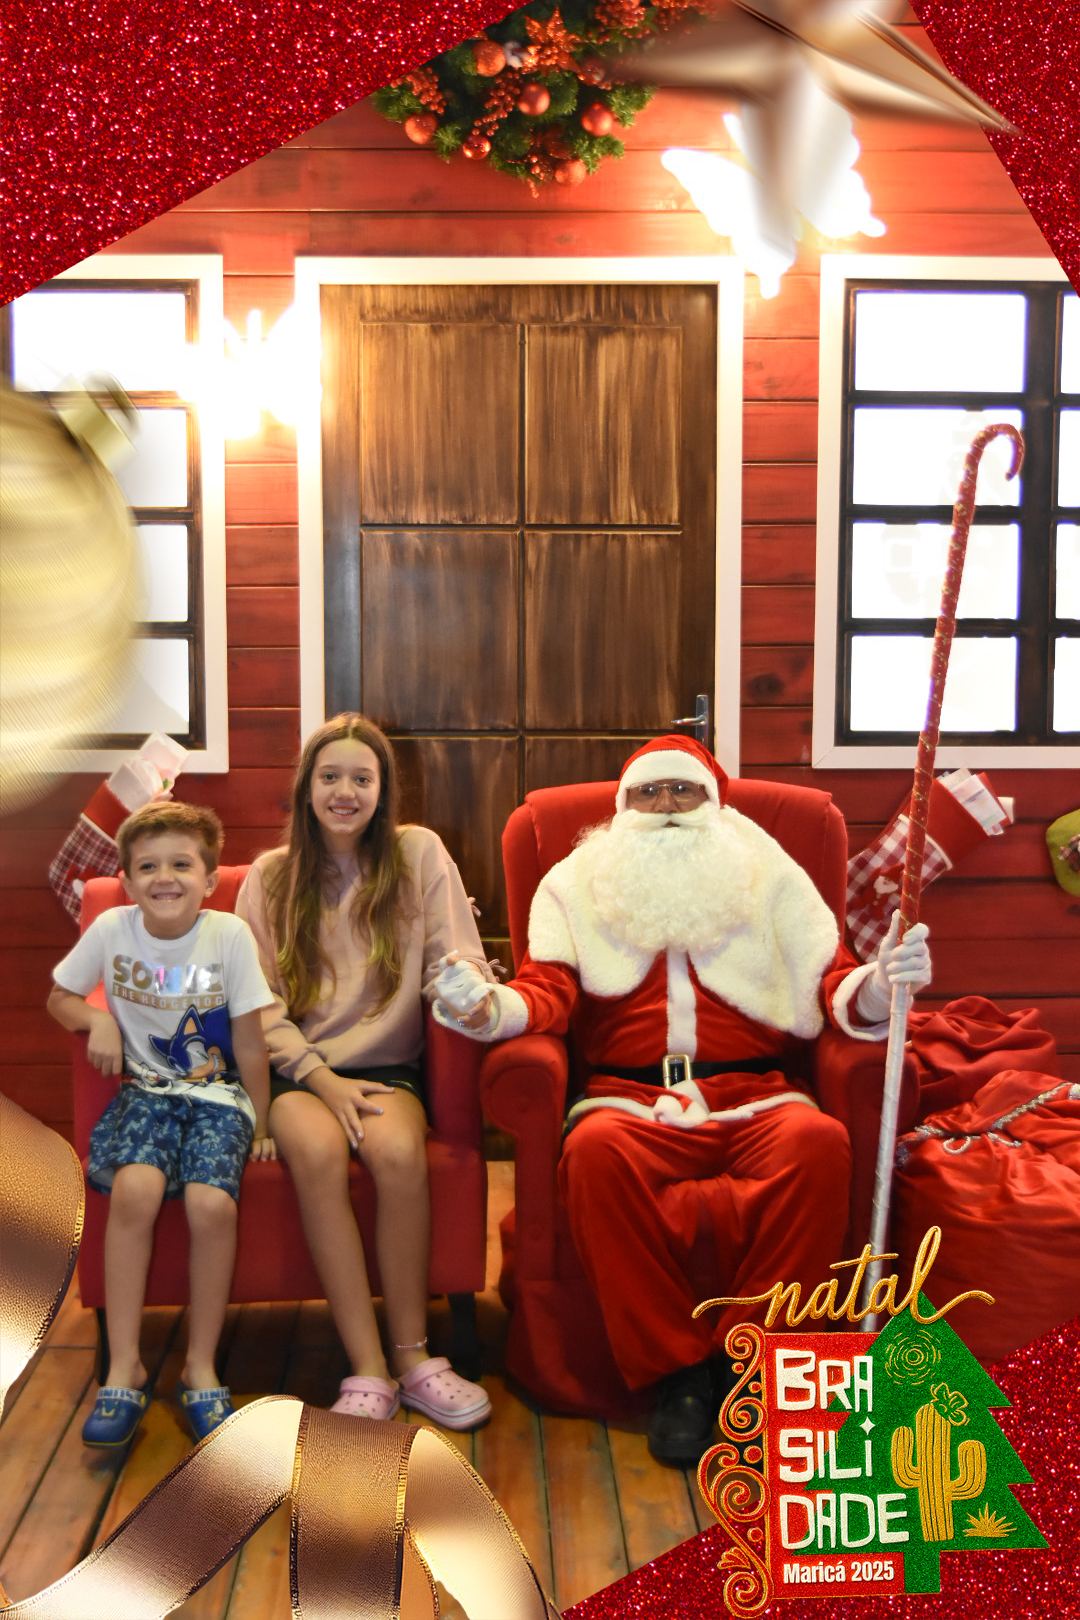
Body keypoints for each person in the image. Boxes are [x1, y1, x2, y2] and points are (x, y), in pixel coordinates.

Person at [432, 734, 931, 1466]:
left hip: (757, 1093)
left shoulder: (767, 871)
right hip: (629, 1101)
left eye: (683, 790)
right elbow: (547, 989)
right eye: (649, 792)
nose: (666, 806)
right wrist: (486, 1009)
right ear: (624, 806)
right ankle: (678, 1375)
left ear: (712, 800)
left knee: (819, 1146)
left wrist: (883, 985)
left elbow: (832, 980)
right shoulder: (576, 882)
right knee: (593, 1157)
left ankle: (750, 1362)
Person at [235, 713, 493, 1430]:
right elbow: (255, 1004)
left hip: (386, 1067)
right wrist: (320, 1078)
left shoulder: (419, 853)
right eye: (329, 777)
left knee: (399, 1152)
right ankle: (368, 1368)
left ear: (383, 791)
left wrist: (469, 991)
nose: (344, 792)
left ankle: (414, 1361)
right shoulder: (270, 877)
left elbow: (455, 955)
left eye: (361, 778)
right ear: (306, 788)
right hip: (297, 1072)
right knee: (316, 1153)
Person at [48, 801, 275, 1447]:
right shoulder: (112, 929)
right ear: (126, 879)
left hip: (219, 1097)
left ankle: (200, 1367)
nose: (164, 877)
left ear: (209, 880)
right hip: (146, 1093)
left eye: (181, 864)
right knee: (134, 1190)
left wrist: (260, 1123)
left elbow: (250, 1040)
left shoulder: (228, 935)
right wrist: (96, 1018)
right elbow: (59, 997)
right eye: (147, 866)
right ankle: (125, 1366)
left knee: (210, 1204)